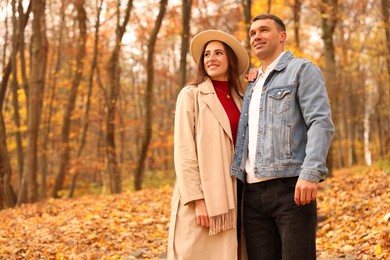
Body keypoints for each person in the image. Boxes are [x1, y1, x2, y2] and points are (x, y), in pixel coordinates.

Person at [231, 14, 335, 260]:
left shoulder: (302, 70)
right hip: (252, 195)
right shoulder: (253, 83)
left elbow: (320, 122)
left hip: (291, 188)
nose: (257, 36)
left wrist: (311, 172)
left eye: (264, 30)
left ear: (282, 36)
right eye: (253, 33)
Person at [167, 30, 249, 260]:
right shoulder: (191, 95)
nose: (211, 58)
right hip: (202, 199)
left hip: (236, 196)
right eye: (207, 54)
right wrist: (198, 200)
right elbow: (184, 151)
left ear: (230, 59)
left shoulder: (241, 98)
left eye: (218, 53)